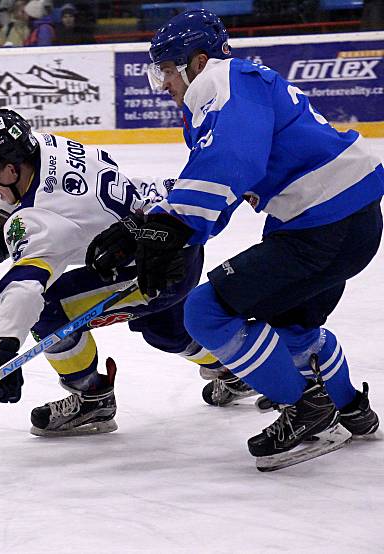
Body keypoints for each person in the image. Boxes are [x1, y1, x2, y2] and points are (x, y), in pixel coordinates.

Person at [88, 9, 383, 469]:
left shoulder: (221, 80)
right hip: (348, 221)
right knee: (291, 327)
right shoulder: (243, 86)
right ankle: (351, 409)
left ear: (198, 61)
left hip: (322, 225)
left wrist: (174, 229)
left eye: (167, 69)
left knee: (204, 312)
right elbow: (220, 180)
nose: (163, 83)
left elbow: (230, 164)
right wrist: (153, 225)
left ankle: (309, 410)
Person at [0, 109, 227, 436]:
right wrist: (1, 216)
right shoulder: (49, 146)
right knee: (165, 330)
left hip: (151, 271)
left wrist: (3, 346)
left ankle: (92, 398)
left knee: (47, 309)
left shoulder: (35, 220)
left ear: (11, 167)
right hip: (171, 235)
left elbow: (26, 285)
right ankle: (232, 368)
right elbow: (56, 200)